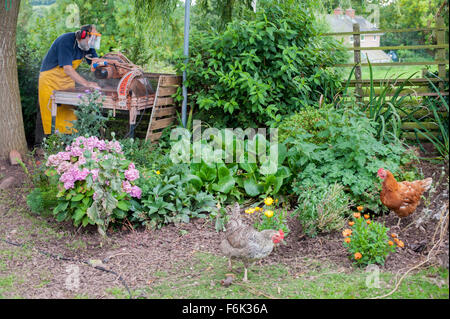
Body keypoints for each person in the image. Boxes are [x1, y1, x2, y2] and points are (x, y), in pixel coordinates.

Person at [38, 24, 101, 137]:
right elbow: (67, 69)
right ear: (83, 35)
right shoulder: (66, 41)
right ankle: (45, 145)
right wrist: (87, 83)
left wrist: (100, 66)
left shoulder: (87, 46)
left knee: (69, 115)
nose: (92, 44)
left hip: (67, 81)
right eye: (91, 39)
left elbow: (95, 61)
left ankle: (66, 146)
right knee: (49, 113)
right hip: (50, 80)